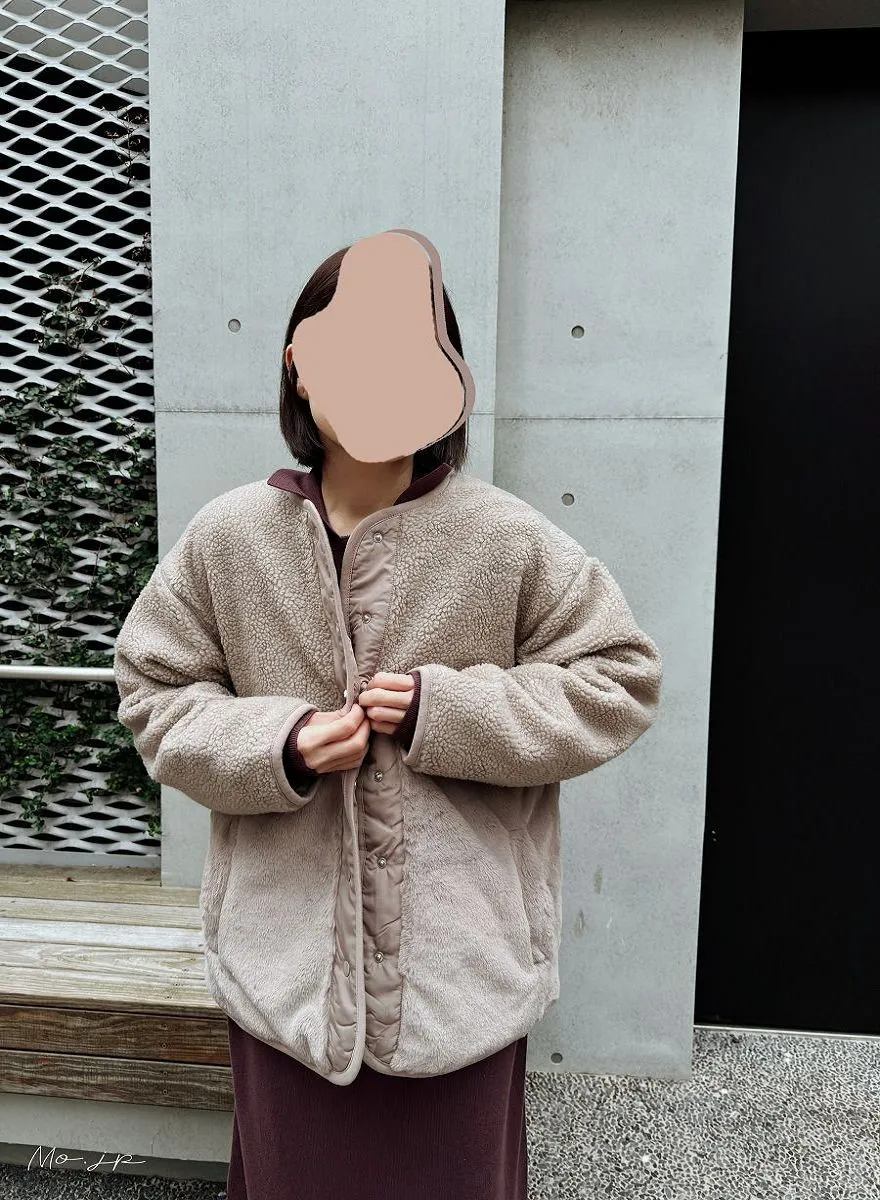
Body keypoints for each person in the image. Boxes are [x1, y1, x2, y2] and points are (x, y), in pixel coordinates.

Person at [113, 235, 663, 1200]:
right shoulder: (230, 538)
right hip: (286, 974)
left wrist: (450, 709)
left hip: (463, 978)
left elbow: (619, 678)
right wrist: (277, 742)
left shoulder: (505, 537)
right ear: (299, 364)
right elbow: (154, 689)